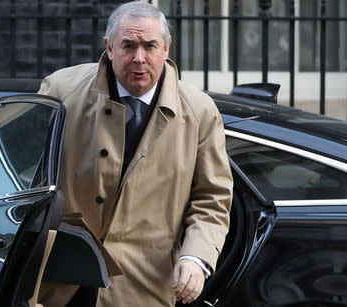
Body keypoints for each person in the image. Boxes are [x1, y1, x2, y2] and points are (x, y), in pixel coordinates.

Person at [37, 1, 233, 306]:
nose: (139, 58)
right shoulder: (62, 92)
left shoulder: (200, 111)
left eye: (150, 46)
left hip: (143, 286)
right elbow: (21, 172)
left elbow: (212, 198)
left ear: (166, 48)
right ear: (109, 47)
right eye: (128, 45)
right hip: (60, 280)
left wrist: (196, 257)